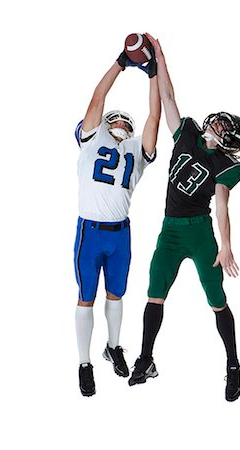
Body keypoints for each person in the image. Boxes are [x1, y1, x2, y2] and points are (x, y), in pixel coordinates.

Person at [128, 33, 240, 402]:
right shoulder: (188, 132)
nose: (217, 126)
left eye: (224, 129)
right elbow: (168, 98)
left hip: (199, 234)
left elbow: (222, 206)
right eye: (220, 122)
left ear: (229, 142)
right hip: (169, 229)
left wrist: (226, 245)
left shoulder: (224, 164)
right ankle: (146, 358)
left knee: (216, 298)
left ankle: (233, 364)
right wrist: (160, 57)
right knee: (154, 293)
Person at [74, 45, 161, 396]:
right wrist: (122, 63)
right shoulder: (91, 139)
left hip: (121, 233)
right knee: (86, 297)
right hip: (90, 230)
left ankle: (113, 347)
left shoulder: (135, 153)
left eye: (127, 122)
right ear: (106, 124)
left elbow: (154, 118)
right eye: (117, 120)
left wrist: (154, 75)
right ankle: (84, 362)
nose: (122, 124)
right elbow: (98, 97)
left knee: (116, 295)